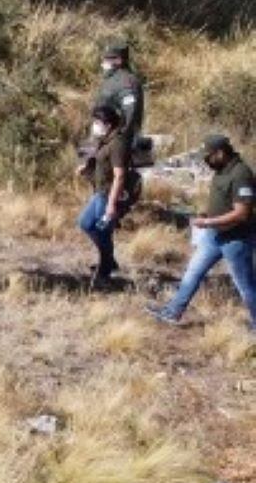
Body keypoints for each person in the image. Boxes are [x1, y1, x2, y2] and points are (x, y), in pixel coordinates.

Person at [148, 133, 256, 331]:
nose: (205, 160)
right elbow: (224, 202)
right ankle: (173, 312)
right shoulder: (221, 169)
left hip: (236, 239)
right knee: (192, 272)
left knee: (245, 286)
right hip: (214, 234)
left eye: (209, 155)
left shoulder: (241, 174)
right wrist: (207, 214)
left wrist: (207, 221)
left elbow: (242, 213)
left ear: (221, 153)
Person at [77, 103, 135, 287]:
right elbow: (101, 159)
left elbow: (119, 175)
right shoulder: (106, 139)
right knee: (85, 223)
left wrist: (111, 204)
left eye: (97, 122)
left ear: (108, 124)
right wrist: (87, 167)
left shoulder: (118, 143)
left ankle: (105, 271)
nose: (95, 125)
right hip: (100, 191)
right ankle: (108, 260)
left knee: (103, 231)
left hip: (108, 194)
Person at [95, 41, 146, 144]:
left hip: (119, 144)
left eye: (107, 59)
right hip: (107, 140)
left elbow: (130, 114)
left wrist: (120, 138)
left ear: (118, 60)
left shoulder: (127, 83)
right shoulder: (112, 80)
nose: (103, 62)